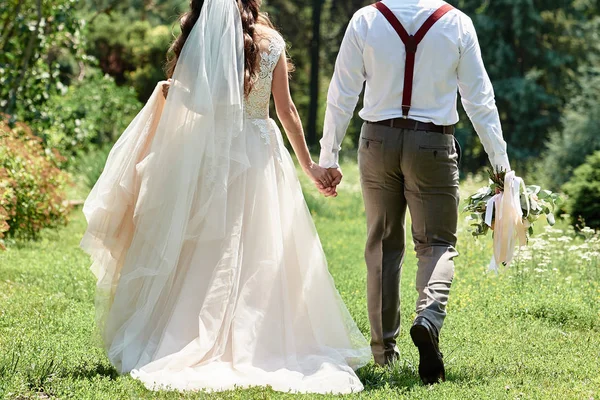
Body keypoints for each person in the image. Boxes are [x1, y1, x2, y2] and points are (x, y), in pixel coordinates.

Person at [80, 0, 370, 394]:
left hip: (210, 152)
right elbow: (286, 112)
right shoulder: (271, 43)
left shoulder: (198, 34)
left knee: (203, 247)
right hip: (258, 152)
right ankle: (260, 337)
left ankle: (187, 332)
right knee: (264, 246)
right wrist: (310, 166)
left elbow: (190, 102)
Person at [317, 0, 511, 385]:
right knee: (437, 243)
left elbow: (342, 91)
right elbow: (479, 99)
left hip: (376, 142)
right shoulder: (456, 23)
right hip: (432, 147)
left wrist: (329, 155)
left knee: (383, 244)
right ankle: (428, 317)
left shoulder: (367, 19)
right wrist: (501, 164)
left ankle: (383, 353)